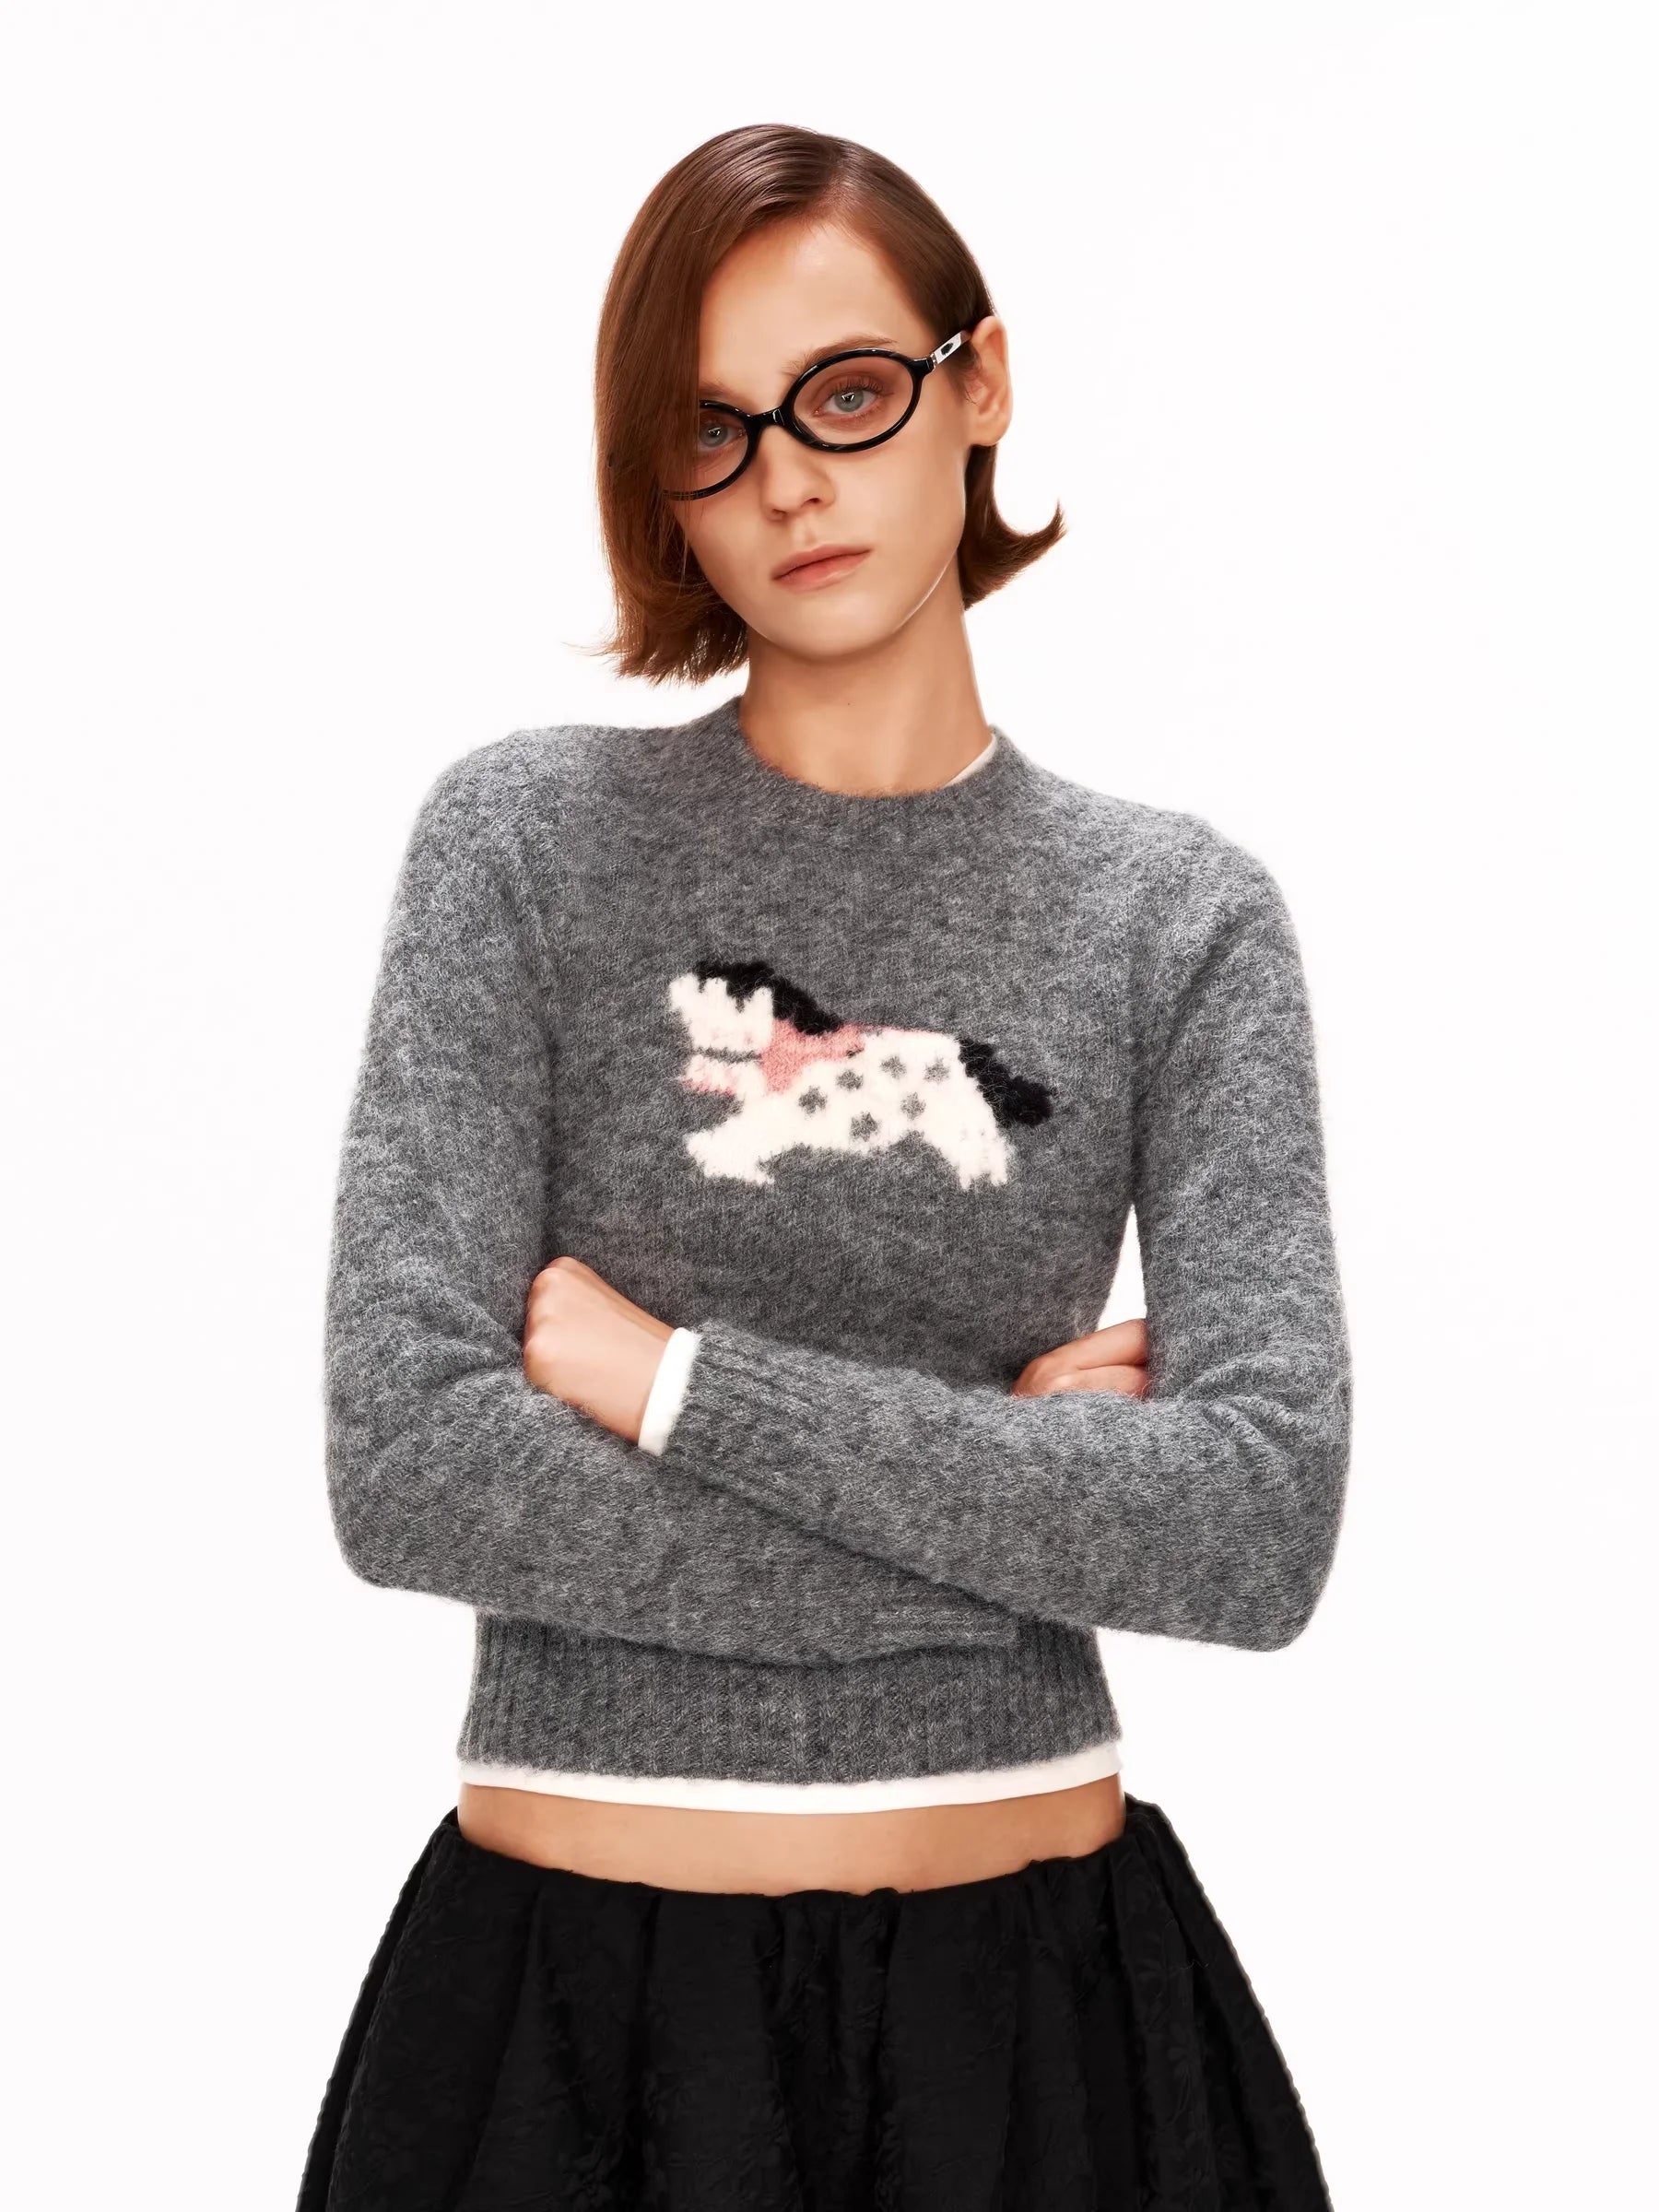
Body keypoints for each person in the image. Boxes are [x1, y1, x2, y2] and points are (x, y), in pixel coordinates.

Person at [297, 122, 1351, 2210]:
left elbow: (1254, 1529)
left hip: (1045, 2044)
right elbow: (407, 1468)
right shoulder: (526, 849)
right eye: (714, 430)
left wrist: (675, 1387)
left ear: (981, 385)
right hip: (561, 2038)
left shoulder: (1176, 921)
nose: (787, 478)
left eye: (847, 394)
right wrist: (1033, 1501)